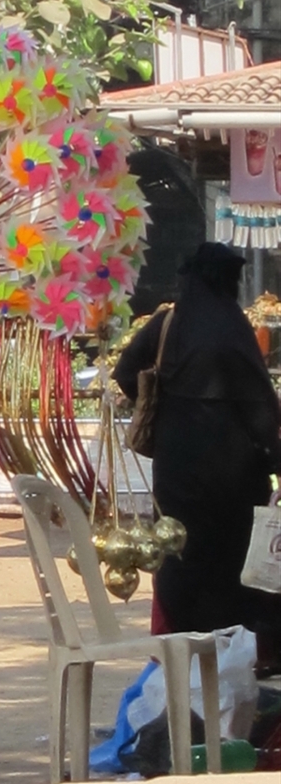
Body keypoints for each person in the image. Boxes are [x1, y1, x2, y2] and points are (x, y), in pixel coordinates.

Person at [113, 242, 281, 664]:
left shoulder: (169, 321)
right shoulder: (235, 329)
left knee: (181, 553)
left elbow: (125, 371)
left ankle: (180, 650)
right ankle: (234, 655)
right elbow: (260, 405)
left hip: (178, 465)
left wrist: (165, 408)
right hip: (235, 473)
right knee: (233, 559)